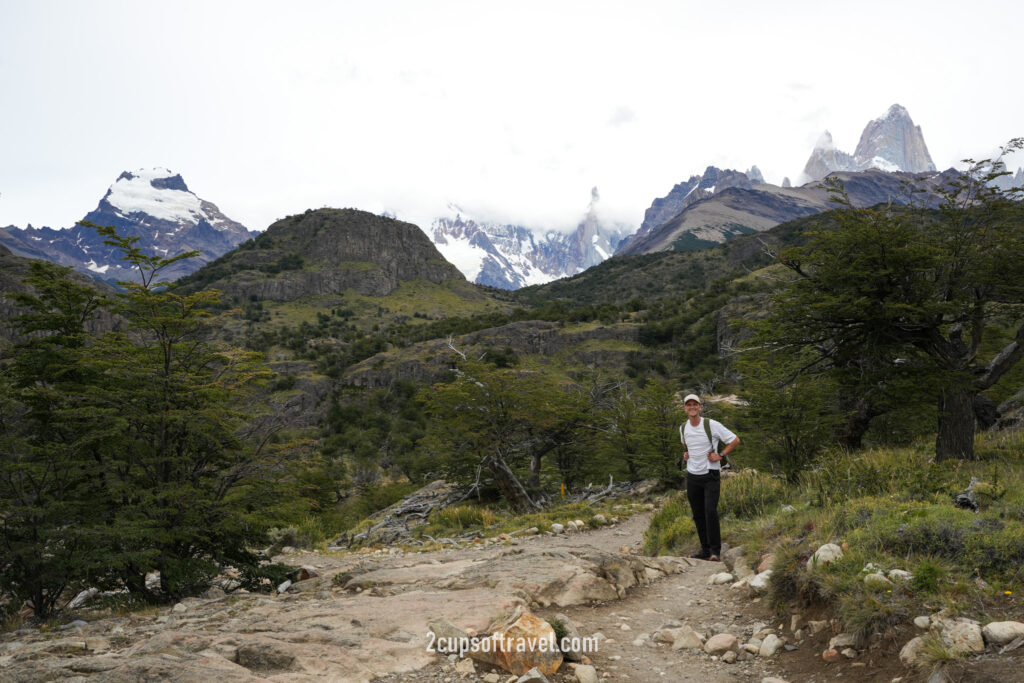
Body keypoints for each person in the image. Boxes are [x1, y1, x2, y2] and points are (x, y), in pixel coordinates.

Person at [679, 393, 739, 562]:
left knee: (710, 512)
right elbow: (686, 446)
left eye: (695, 404)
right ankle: (705, 550)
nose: (692, 407)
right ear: (685, 408)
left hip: (710, 474)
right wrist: (687, 454)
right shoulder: (683, 428)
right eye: (688, 404)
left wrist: (720, 455)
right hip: (692, 476)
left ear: (700, 407)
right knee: (698, 514)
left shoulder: (711, 425)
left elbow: (734, 440)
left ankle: (715, 551)